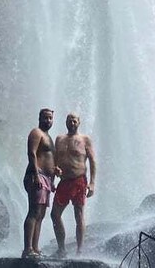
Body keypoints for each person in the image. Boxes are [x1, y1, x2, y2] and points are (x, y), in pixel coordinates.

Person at [51, 112, 96, 257]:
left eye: (74, 121)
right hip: (63, 182)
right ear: (65, 122)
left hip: (79, 181)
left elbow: (92, 160)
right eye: (69, 121)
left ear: (79, 122)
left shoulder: (85, 139)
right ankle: (61, 248)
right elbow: (55, 160)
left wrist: (92, 183)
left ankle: (80, 249)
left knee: (79, 214)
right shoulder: (59, 139)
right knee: (54, 214)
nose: (72, 123)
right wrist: (53, 176)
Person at [22, 108, 60, 259]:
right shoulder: (36, 133)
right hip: (36, 176)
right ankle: (27, 249)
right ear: (39, 118)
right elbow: (31, 153)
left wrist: (54, 170)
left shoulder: (48, 136)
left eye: (50, 118)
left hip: (47, 178)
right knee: (33, 212)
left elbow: (47, 157)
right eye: (45, 118)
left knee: (41, 214)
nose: (48, 121)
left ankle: (35, 248)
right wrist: (36, 174)